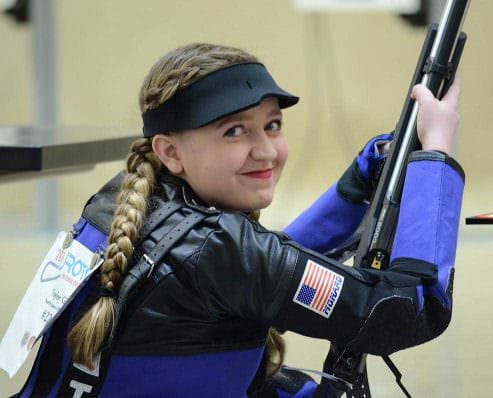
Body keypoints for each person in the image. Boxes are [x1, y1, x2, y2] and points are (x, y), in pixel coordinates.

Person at [14, 42, 464, 397]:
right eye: (234, 131)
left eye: (272, 125)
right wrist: (436, 156)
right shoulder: (219, 250)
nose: (266, 151)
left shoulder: (123, 201)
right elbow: (411, 309)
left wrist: (358, 184)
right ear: (170, 151)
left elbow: (263, 270)